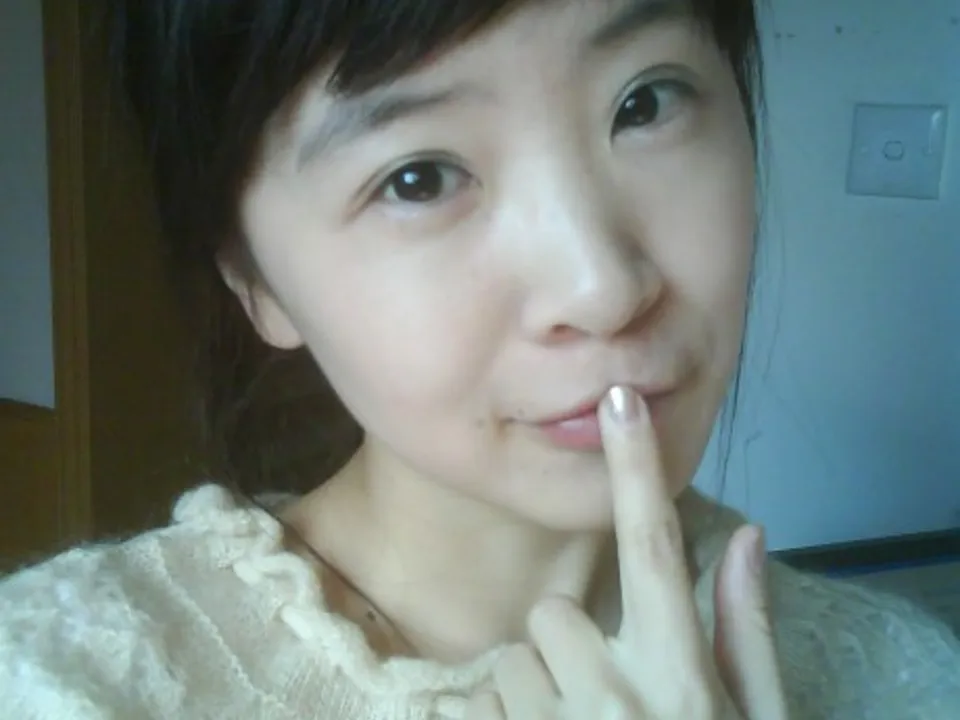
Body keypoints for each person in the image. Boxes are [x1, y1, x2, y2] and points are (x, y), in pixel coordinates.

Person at [1, 0, 958, 717]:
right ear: (256, 282)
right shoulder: (63, 682)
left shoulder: (904, 677)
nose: (602, 287)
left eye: (644, 103)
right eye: (418, 178)